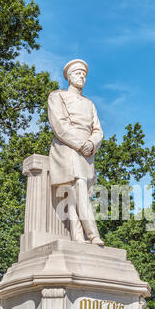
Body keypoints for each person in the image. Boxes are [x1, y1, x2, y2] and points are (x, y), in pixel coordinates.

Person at [48, 59, 104, 246]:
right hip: (68, 148)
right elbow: (59, 125)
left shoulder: (90, 104)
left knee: (77, 194)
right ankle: (93, 234)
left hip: (87, 153)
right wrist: (80, 144)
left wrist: (91, 143)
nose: (82, 76)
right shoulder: (57, 96)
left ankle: (78, 237)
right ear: (69, 77)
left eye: (84, 74)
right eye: (78, 73)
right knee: (78, 187)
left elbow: (98, 130)